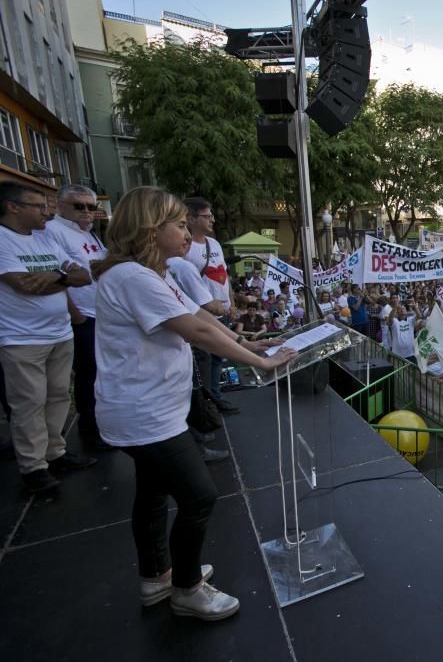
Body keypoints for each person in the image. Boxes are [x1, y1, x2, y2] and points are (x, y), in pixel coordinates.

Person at [92, 187, 295, 620]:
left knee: (151, 494)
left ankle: (157, 577)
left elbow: (203, 317)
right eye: (180, 224)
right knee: (200, 497)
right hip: (145, 414)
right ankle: (186, 588)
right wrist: (262, 363)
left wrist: (251, 341)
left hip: (152, 409)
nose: (189, 234)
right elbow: (197, 333)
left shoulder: (154, 273)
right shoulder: (133, 278)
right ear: (151, 228)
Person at [0, 182, 96, 492]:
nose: (47, 212)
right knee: (29, 402)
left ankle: (55, 453)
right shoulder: (3, 241)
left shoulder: (43, 240)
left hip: (59, 332)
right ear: (13, 207)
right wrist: (64, 278)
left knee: (57, 396)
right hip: (21, 338)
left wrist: (56, 277)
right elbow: (24, 285)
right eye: (38, 206)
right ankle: (33, 467)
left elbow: (83, 275)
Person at [43, 184, 107, 449]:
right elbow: (54, 276)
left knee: (98, 375)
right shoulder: (53, 232)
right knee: (87, 375)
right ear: (60, 205)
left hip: (99, 313)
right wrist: (76, 315)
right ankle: (89, 432)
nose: (87, 212)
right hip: (81, 316)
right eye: (79, 206)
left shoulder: (89, 235)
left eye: (91, 207)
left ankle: (97, 426)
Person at [182, 197, 238, 415]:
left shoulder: (213, 243)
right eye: (207, 216)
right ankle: (203, 405)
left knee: (218, 357)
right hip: (200, 314)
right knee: (202, 361)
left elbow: (224, 274)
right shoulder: (185, 248)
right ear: (192, 219)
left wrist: (231, 302)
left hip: (222, 311)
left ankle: (215, 396)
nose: (213, 220)